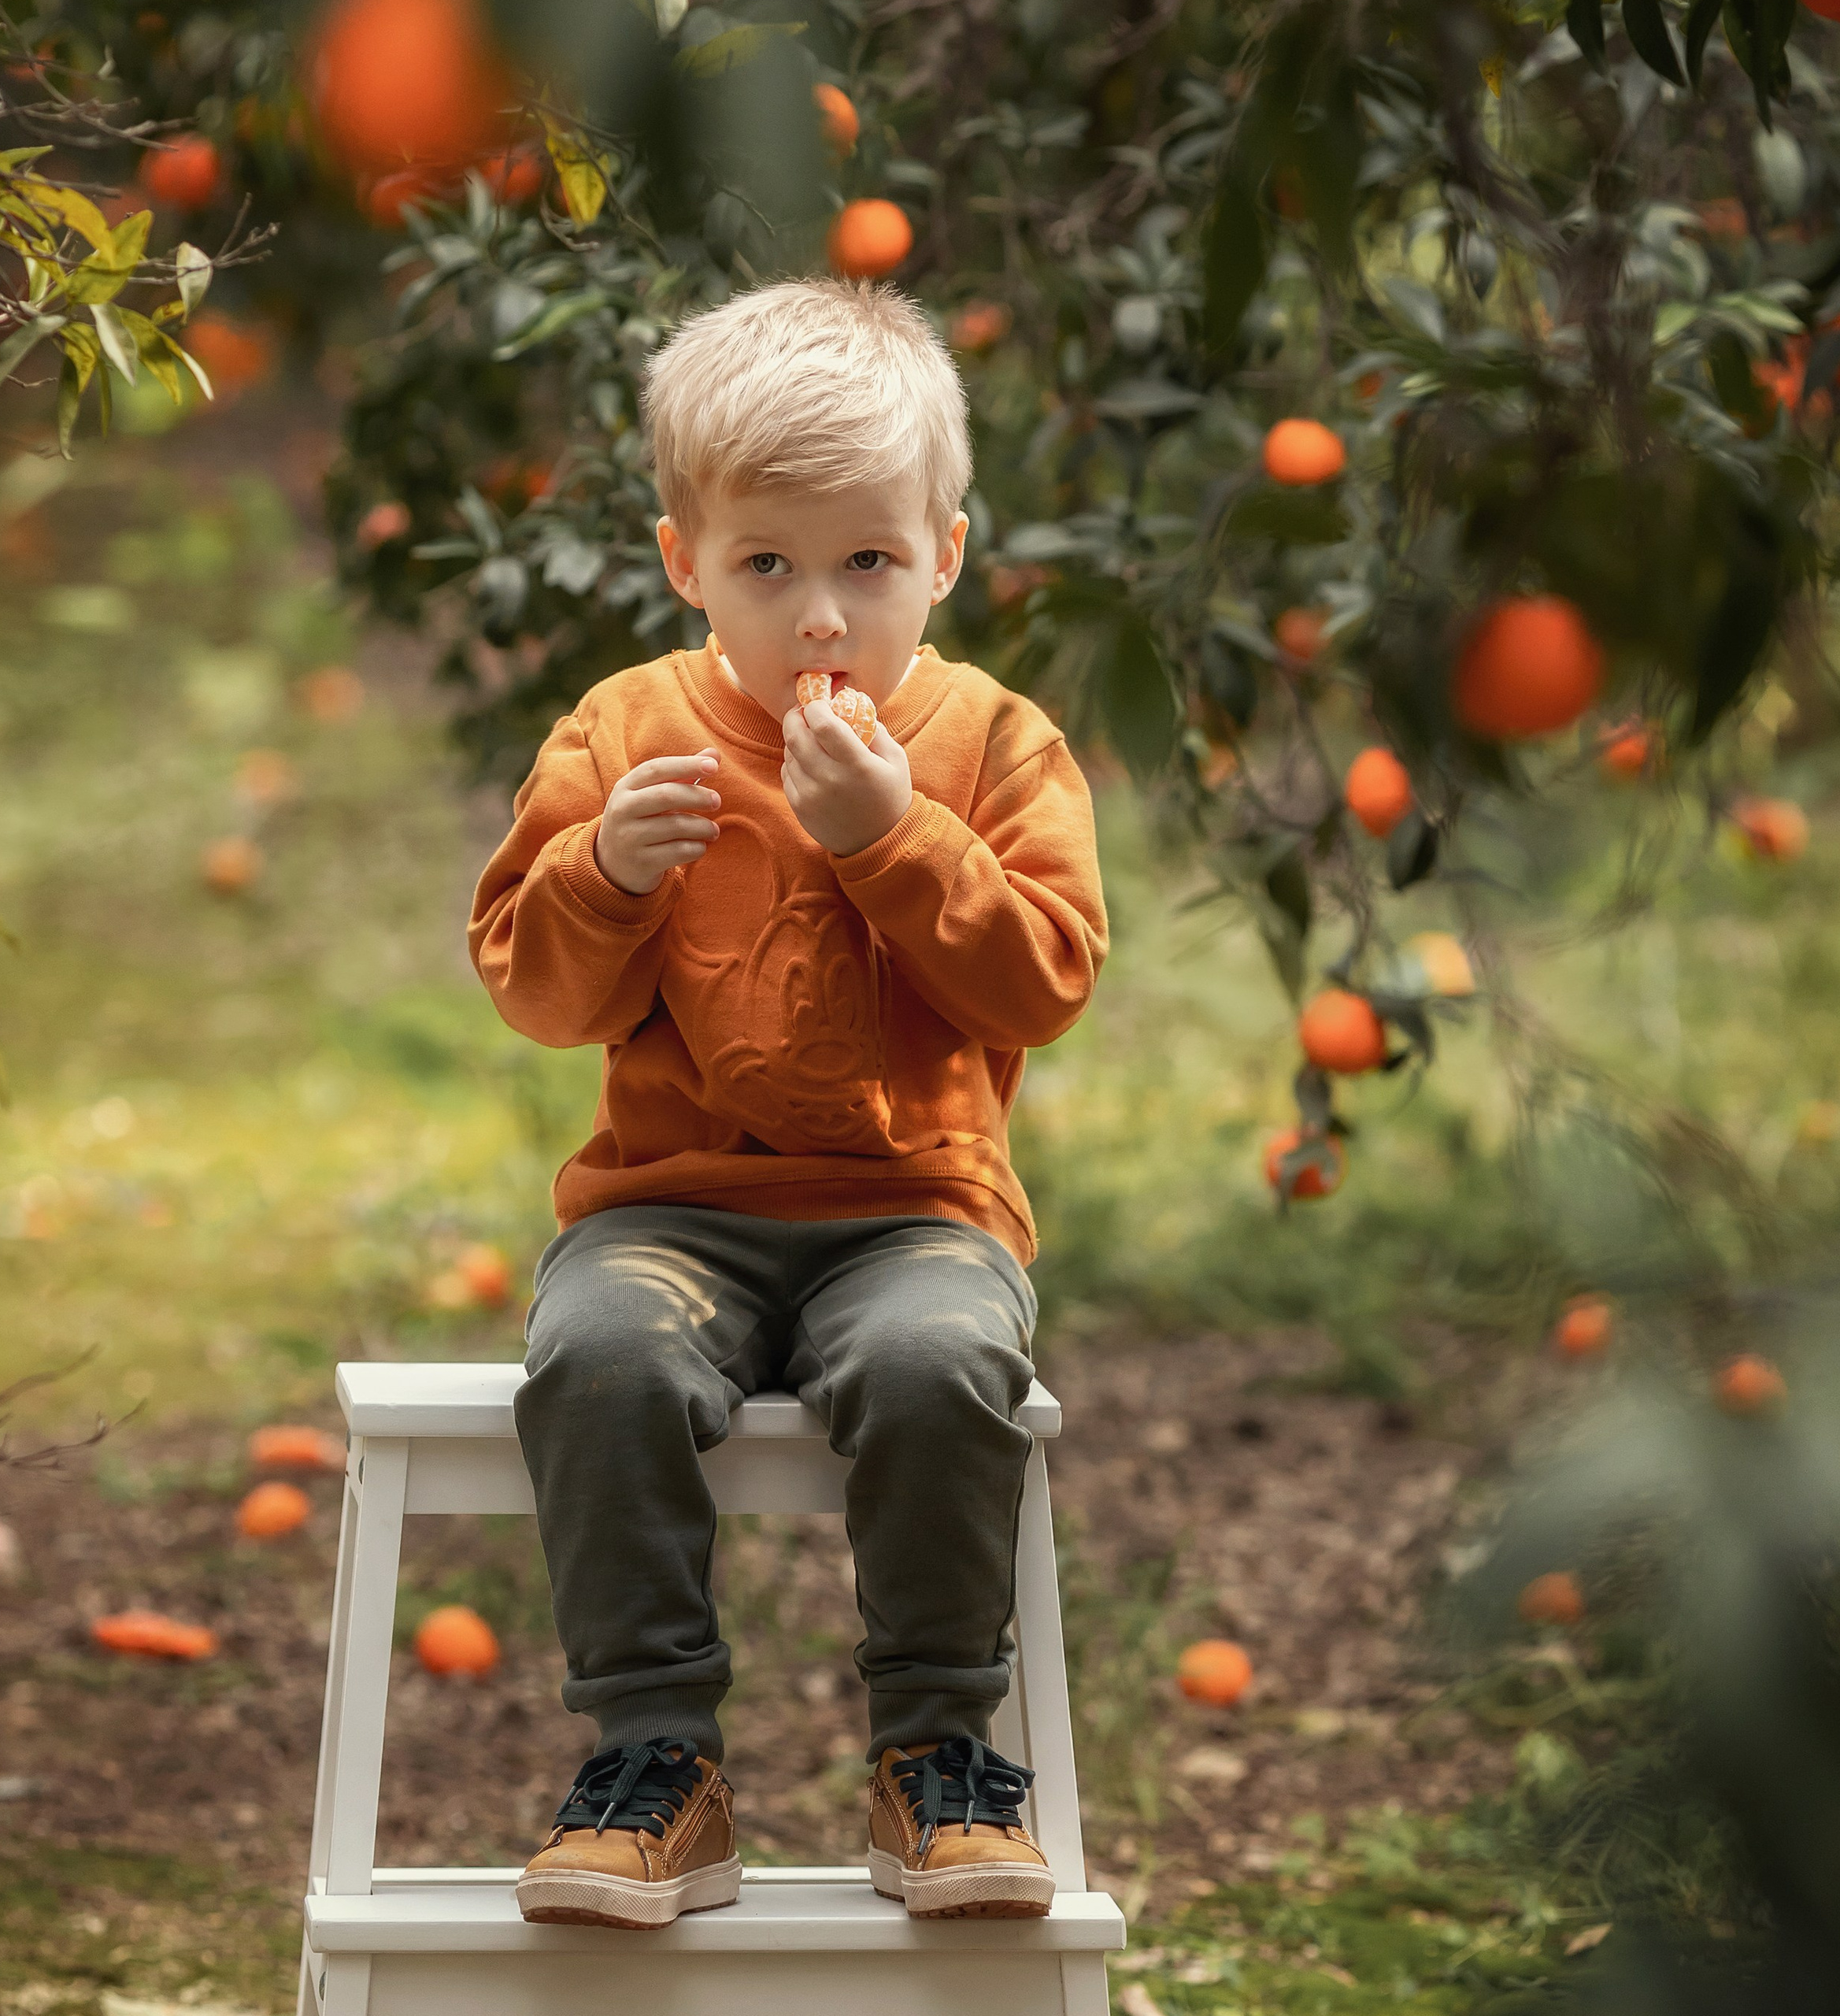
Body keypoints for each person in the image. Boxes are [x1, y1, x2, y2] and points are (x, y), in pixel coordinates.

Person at [468, 276, 1108, 1931]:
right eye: (768, 566)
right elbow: (538, 992)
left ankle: (938, 1755)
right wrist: (604, 873)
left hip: (916, 1213)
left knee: (938, 1363)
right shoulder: (627, 734)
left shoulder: (991, 743)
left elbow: (1045, 979)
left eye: (866, 564)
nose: (821, 619)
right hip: (671, 1211)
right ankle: (653, 1760)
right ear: (685, 560)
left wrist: (897, 840)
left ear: (943, 556)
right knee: (598, 1357)